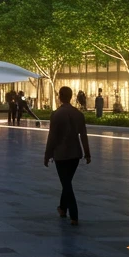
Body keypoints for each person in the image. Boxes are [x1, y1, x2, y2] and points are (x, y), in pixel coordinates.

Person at [44, 85, 91, 225]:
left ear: (60, 96)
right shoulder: (78, 114)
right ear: (71, 96)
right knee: (67, 182)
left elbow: (52, 137)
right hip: (75, 153)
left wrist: (47, 154)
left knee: (66, 183)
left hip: (61, 153)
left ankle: (74, 214)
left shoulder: (57, 114)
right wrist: (87, 153)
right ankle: (62, 208)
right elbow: (83, 135)